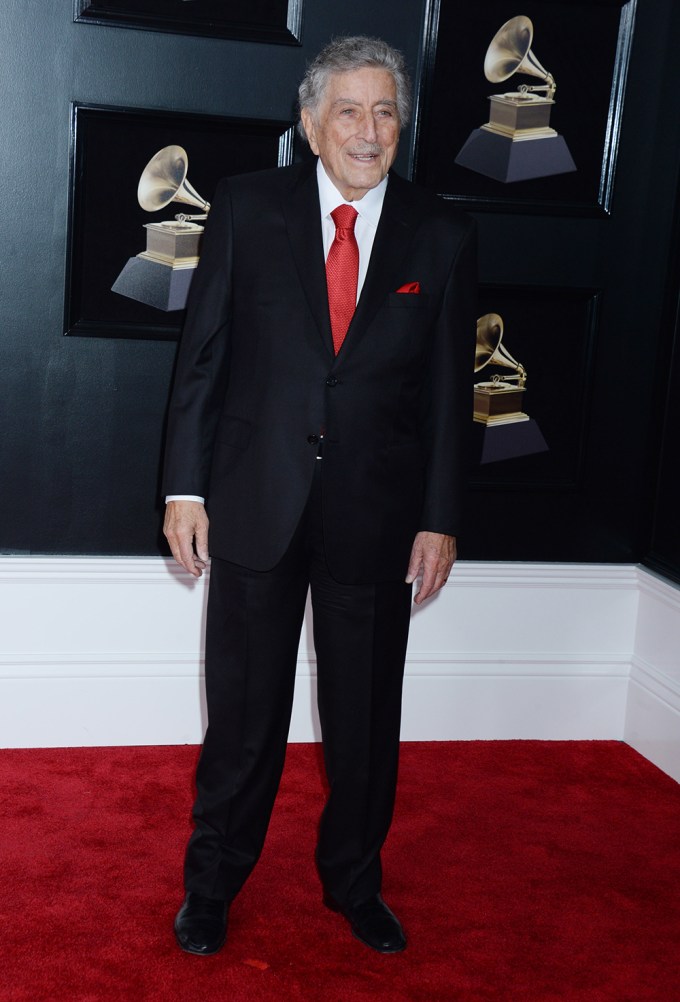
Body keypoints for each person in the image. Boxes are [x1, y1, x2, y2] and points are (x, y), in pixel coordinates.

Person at [162, 35, 477, 957]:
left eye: (386, 111)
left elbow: (451, 397)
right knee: (244, 723)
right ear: (309, 123)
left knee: (365, 726)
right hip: (256, 504)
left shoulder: (442, 231)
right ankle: (213, 885)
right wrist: (185, 486)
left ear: (402, 124)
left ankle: (353, 884)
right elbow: (203, 360)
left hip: (377, 522)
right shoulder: (245, 208)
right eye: (349, 110)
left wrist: (441, 516)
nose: (368, 130)